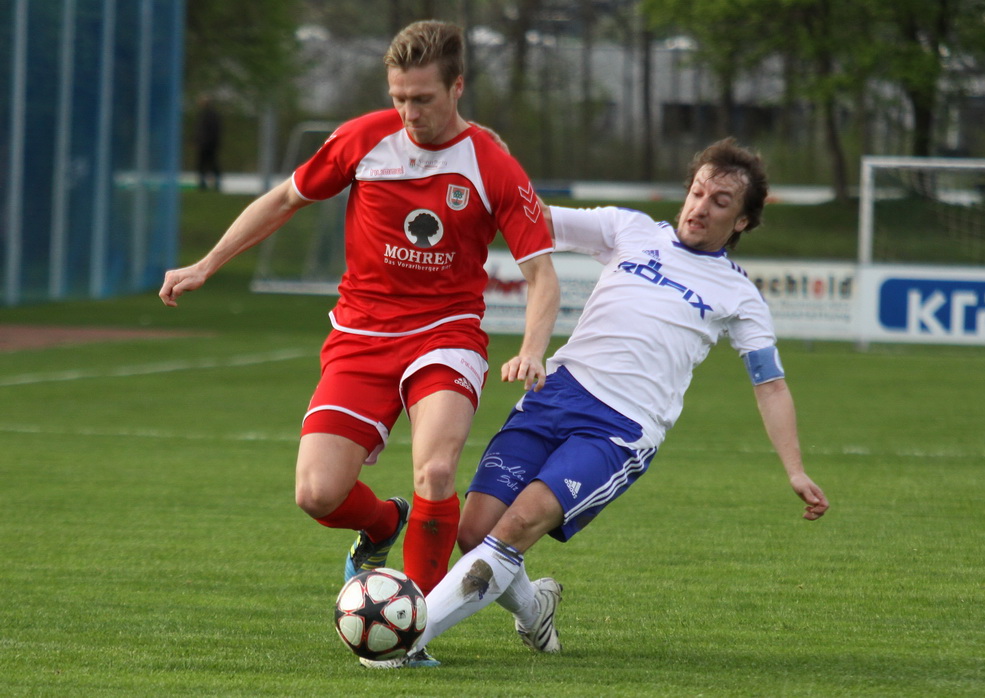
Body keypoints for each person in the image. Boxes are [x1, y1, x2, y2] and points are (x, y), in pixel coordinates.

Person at [365, 137, 830, 668]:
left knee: (517, 527)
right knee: (474, 533)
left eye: (720, 202)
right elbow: (531, 215)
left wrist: (795, 469)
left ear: (742, 220)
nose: (701, 207)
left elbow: (770, 385)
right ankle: (534, 607)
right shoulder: (629, 229)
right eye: (697, 192)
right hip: (555, 394)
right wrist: (477, 170)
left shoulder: (740, 295)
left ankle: (405, 639)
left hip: (620, 429)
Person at [159, 20, 560, 626]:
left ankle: (415, 628)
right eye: (398, 97)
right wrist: (206, 263)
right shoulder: (364, 139)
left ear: (457, 87)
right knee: (316, 493)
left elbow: (542, 276)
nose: (409, 113)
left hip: (445, 334)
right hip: (360, 336)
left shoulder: (492, 165)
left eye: (422, 99)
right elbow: (284, 199)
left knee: (437, 470)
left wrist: (531, 348)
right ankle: (383, 523)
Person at [195, 95, 222, 191]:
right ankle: (204, 184)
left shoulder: (209, 115)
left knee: (209, 164)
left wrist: (206, 142)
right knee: (206, 164)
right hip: (207, 144)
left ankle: (212, 184)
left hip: (208, 144)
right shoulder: (207, 115)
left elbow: (210, 131)